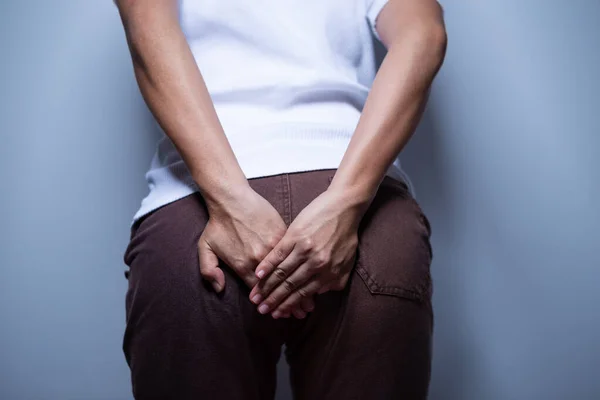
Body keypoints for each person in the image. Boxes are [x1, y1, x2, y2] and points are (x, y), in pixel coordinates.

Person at [115, 0, 446, 398]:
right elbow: (422, 34)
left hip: (196, 218)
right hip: (363, 213)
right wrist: (346, 202)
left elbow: (147, 31)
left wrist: (230, 200)